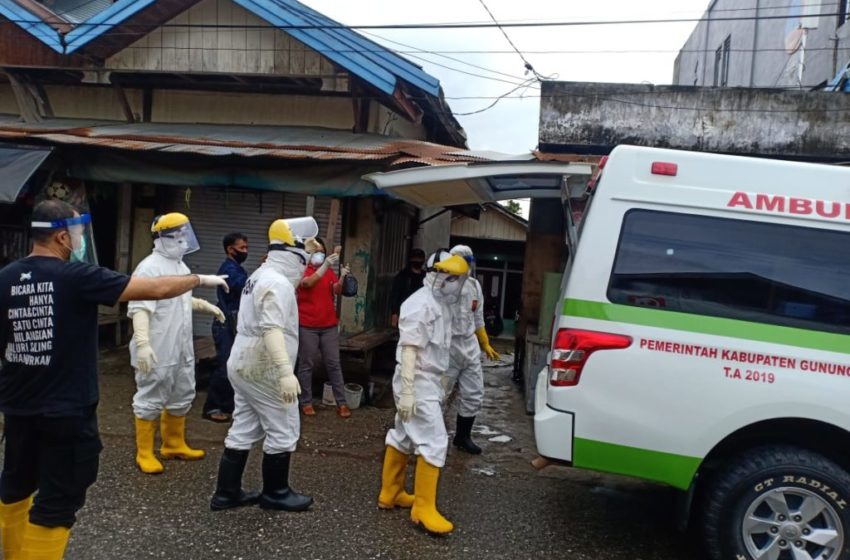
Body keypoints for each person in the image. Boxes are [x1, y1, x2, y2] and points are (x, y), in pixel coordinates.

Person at [0, 200, 228, 560]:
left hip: (18, 408)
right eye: (76, 232)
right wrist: (199, 279)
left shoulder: (6, 277)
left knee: (15, 486)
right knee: (58, 501)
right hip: (66, 411)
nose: (79, 239)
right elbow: (151, 291)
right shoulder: (78, 276)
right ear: (62, 236)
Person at [210, 216, 318, 513]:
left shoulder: (261, 274)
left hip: (243, 360)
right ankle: (276, 493)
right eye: (306, 248)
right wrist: (285, 372)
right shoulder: (277, 282)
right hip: (264, 364)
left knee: (244, 425)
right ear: (293, 250)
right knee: (283, 427)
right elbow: (271, 329)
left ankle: (226, 493)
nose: (309, 254)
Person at [378, 249, 469, 535]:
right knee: (434, 440)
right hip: (414, 380)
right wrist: (407, 392)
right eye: (452, 277)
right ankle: (423, 509)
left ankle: (390, 493)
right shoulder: (420, 304)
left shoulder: (438, 303)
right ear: (437, 275)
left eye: (459, 278)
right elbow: (408, 350)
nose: (457, 283)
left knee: (404, 435)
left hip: (425, 380)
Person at [129, 212, 227, 475]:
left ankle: (173, 444)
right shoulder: (149, 267)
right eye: (178, 235)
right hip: (158, 344)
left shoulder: (181, 267)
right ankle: (145, 452)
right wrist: (143, 343)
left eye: (186, 234)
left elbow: (181, 299)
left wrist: (204, 305)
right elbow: (140, 307)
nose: (184, 240)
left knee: (182, 391)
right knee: (151, 393)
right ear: (163, 238)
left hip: (181, 343)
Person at [443, 245, 500, 455]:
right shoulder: (443, 284)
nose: (468, 264)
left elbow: (478, 318)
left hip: (469, 346)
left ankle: (462, 436)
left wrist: (484, 343)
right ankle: (431, 436)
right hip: (447, 347)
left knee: (474, 393)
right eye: (463, 260)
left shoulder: (475, 286)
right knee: (440, 394)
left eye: (469, 260)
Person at [296, 237, 352, 418]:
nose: (318, 254)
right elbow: (308, 283)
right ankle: (306, 402)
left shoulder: (327, 272)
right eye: (315, 251)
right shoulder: (303, 270)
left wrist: (342, 276)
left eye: (321, 251)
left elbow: (335, 290)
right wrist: (327, 265)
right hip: (307, 325)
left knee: (334, 364)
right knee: (306, 364)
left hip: (328, 325)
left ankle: (342, 403)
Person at [202, 232, 249, 423]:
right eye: (242, 248)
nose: (245, 251)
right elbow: (243, 286)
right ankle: (212, 407)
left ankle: (228, 404)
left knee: (234, 366)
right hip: (225, 324)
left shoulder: (236, 267)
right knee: (225, 366)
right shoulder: (228, 269)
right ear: (231, 249)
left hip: (233, 322)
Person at [388, 248, 426, 327]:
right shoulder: (403, 276)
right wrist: (394, 313)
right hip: (405, 313)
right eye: (415, 258)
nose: (417, 261)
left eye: (419, 258)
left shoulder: (426, 277)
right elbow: (395, 294)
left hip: (421, 314)